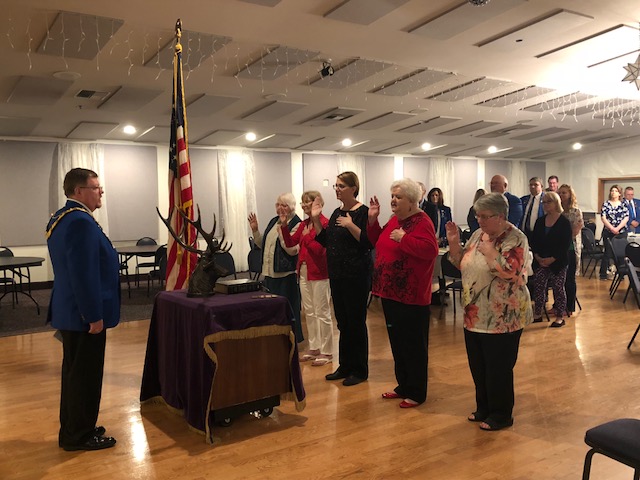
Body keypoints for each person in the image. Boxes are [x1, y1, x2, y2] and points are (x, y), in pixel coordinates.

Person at [46, 168, 120, 451]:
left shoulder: (65, 217)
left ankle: (77, 427)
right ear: (78, 191)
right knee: (85, 378)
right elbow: (83, 273)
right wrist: (93, 315)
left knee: (76, 375)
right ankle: (79, 435)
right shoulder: (80, 222)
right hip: (83, 315)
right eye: (95, 187)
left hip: (71, 311)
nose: (100, 192)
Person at [445, 192, 532, 431]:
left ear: (501, 216)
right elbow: (462, 264)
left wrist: (491, 252)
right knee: (479, 365)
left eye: (485, 216)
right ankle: (483, 407)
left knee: (498, 368)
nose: (479, 221)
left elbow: (512, 273)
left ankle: (502, 414)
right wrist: (454, 243)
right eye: (477, 215)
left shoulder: (516, 238)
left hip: (503, 315)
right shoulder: (477, 235)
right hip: (475, 312)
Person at [367, 179, 438, 408]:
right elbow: (377, 241)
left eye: (398, 197)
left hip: (411, 295)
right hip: (391, 293)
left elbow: (430, 251)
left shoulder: (422, 221)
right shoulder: (395, 220)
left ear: (411, 200)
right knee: (397, 343)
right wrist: (372, 220)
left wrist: (404, 239)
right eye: (393, 196)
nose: (393, 200)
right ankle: (403, 385)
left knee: (413, 345)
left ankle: (416, 392)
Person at [311, 171, 372, 387]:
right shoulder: (337, 212)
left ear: (353, 188)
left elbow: (367, 242)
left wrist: (350, 225)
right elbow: (326, 241)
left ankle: (360, 370)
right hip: (337, 275)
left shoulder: (363, 212)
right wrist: (316, 218)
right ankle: (345, 365)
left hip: (356, 276)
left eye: (341, 186)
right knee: (344, 323)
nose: (337, 189)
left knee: (356, 323)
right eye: (336, 185)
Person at [280, 191, 334, 366]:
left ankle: (327, 351)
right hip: (303, 271)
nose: (304, 205)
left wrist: (309, 237)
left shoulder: (325, 223)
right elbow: (290, 243)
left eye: (307, 202)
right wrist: (283, 226)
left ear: (318, 203)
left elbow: (321, 251)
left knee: (322, 312)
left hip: (319, 272)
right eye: (302, 202)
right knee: (309, 312)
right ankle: (314, 347)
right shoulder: (304, 224)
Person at [248, 193, 303, 342]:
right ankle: (275, 337)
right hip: (270, 274)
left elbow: (291, 249)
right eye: (278, 204)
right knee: (271, 309)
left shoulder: (297, 224)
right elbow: (262, 245)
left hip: (286, 275)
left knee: (288, 309)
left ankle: (291, 338)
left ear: (291, 207)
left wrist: (283, 231)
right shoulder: (274, 221)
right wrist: (255, 230)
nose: (280, 208)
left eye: (284, 205)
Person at [530, 192, 572, 327]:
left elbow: (565, 244)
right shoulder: (540, 221)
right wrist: (538, 256)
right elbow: (534, 240)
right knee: (539, 287)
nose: (546, 204)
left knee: (558, 288)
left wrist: (552, 259)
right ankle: (537, 313)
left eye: (549, 202)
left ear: (556, 203)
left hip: (558, 261)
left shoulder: (564, 222)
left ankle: (560, 316)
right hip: (541, 259)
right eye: (544, 202)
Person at [558, 184, 583, 317]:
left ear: (569, 195)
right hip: (559, 248)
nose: (562, 195)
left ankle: (570, 306)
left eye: (564, 193)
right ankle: (558, 305)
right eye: (560, 193)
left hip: (570, 247)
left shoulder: (575, 211)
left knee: (569, 279)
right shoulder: (557, 211)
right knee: (558, 279)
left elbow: (575, 230)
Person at [599, 185, 629, 280]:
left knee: (620, 253)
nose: (613, 192)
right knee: (607, 252)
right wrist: (612, 228)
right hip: (608, 231)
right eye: (612, 190)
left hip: (621, 232)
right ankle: (603, 274)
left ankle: (621, 274)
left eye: (616, 191)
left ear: (619, 193)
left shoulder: (623, 204)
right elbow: (603, 217)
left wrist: (617, 229)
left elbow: (626, 217)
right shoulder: (606, 204)